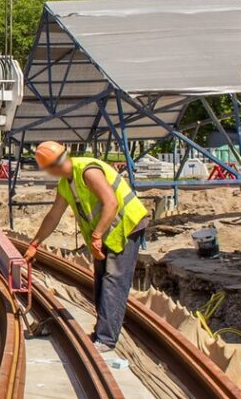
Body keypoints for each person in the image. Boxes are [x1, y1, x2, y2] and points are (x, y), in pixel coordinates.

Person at [24, 141, 148, 353]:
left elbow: (111, 203)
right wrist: (35, 243)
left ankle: (106, 339)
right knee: (101, 280)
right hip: (106, 231)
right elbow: (54, 215)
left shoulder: (87, 171)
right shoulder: (65, 184)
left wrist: (97, 235)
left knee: (113, 280)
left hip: (126, 225)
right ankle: (103, 330)